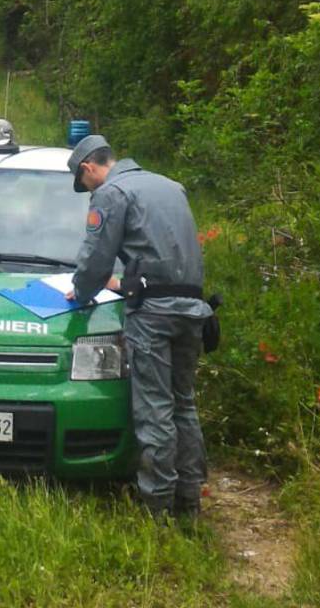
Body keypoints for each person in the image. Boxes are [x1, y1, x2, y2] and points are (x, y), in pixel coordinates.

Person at [64, 135, 212, 520]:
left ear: (88, 169)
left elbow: (96, 259)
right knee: (184, 404)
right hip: (193, 309)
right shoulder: (170, 186)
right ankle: (190, 500)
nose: (89, 190)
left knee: (155, 410)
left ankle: (157, 509)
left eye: (85, 184)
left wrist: (79, 292)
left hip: (153, 316)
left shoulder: (111, 194)